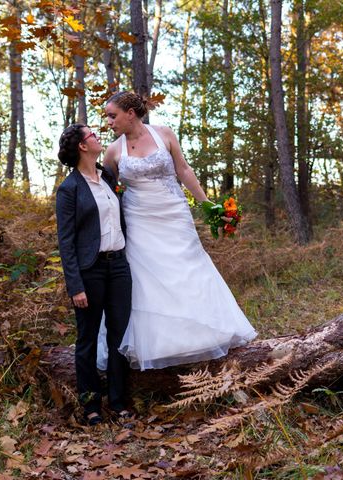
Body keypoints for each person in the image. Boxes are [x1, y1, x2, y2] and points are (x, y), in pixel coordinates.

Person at [99, 91, 257, 371]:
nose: (109, 122)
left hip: (174, 214)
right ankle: (159, 346)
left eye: (112, 116)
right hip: (139, 220)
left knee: (189, 269)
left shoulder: (164, 134)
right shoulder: (113, 151)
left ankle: (203, 336)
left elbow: (183, 170)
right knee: (148, 278)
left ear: (130, 114)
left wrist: (208, 205)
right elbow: (109, 190)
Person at [55, 123, 134, 426]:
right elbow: (66, 242)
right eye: (91, 135)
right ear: (82, 147)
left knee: (119, 336)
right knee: (87, 339)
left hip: (119, 268)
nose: (97, 136)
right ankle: (90, 405)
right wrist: (75, 285)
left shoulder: (109, 178)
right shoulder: (69, 189)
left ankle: (118, 401)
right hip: (91, 271)